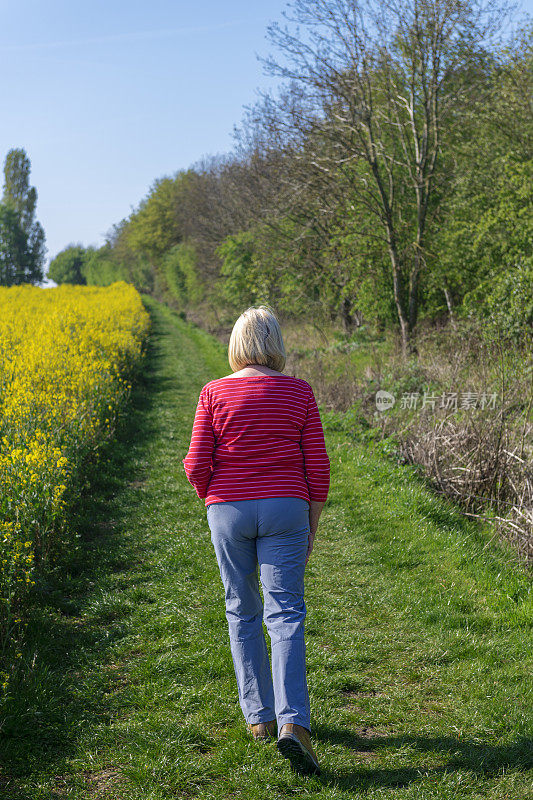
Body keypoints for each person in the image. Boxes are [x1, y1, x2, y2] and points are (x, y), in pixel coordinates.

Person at [182, 304, 330, 776]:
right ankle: (295, 725)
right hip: (287, 507)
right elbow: (319, 469)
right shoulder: (299, 393)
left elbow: (195, 463)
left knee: (241, 608)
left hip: (229, 509)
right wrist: (311, 521)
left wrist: (215, 503)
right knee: (284, 611)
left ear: (236, 345)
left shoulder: (213, 393)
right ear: (276, 344)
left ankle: (259, 720)